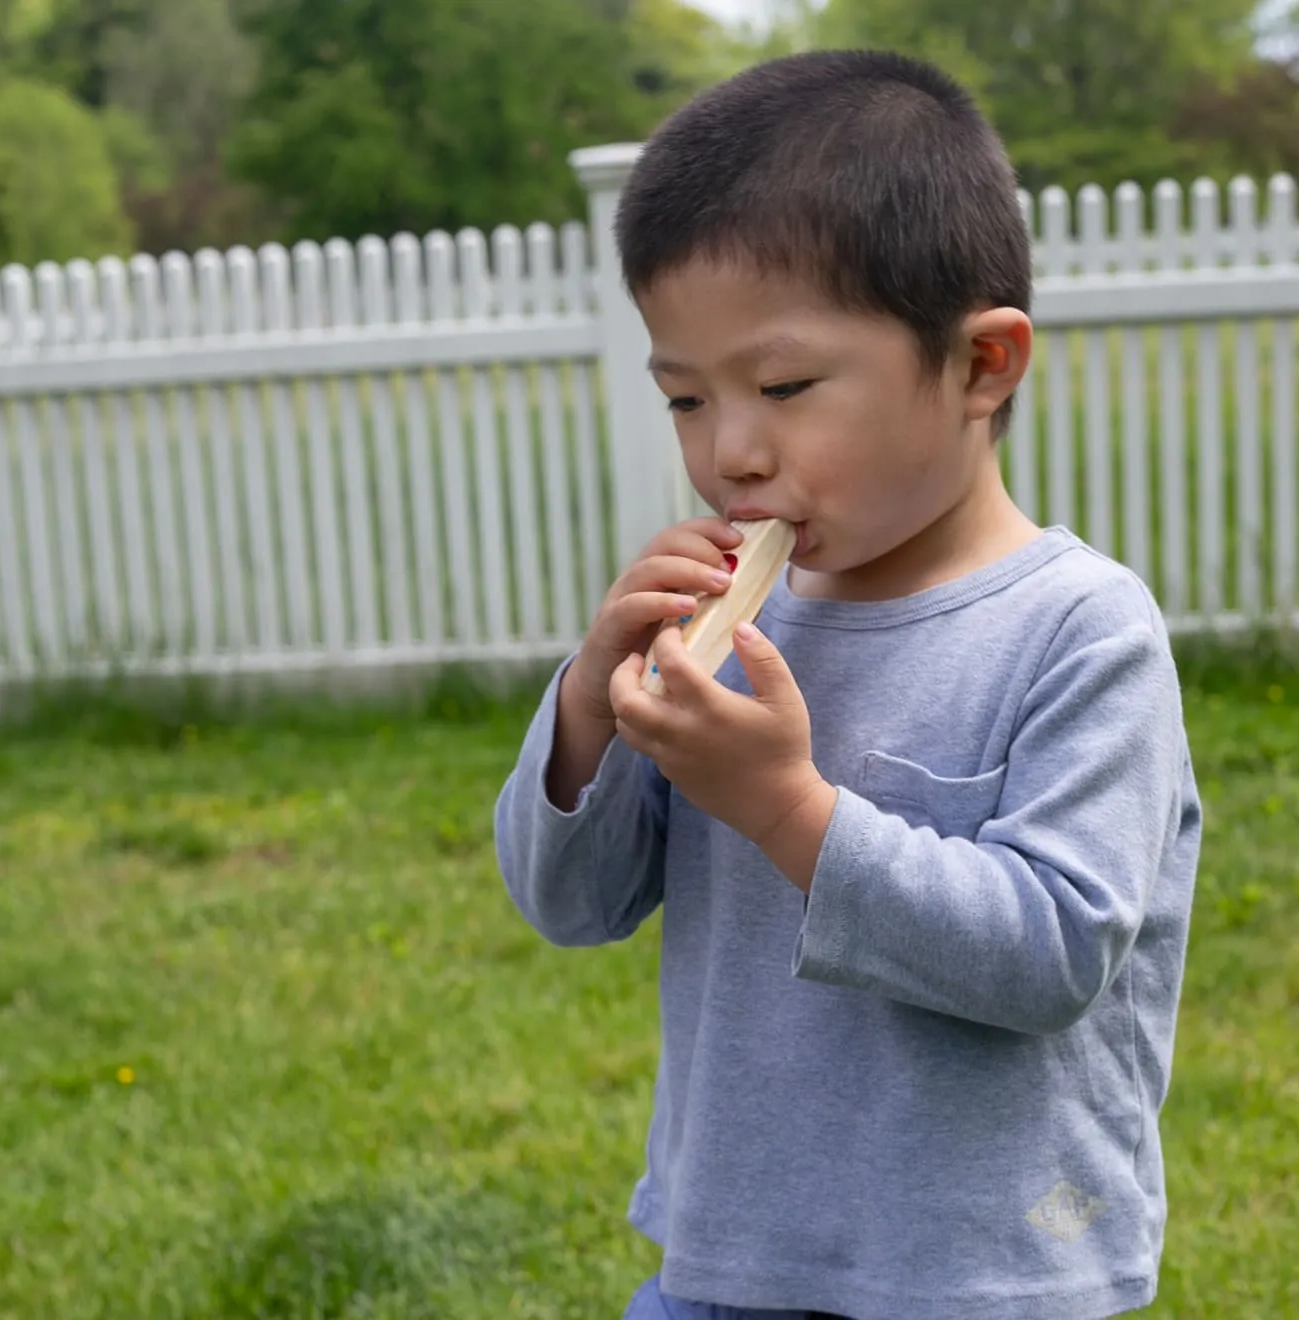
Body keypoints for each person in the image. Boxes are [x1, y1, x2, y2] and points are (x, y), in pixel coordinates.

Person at [494, 48, 1202, 1320]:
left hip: (990, 1276)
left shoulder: (1081, 634)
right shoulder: (726, 626)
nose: (730, 451)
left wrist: (785, 809)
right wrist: (589, 711)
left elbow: (1050, 957)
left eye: (781, 388)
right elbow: (571, 905)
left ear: (983, 366)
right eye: (685, 399)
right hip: (727, 1265)